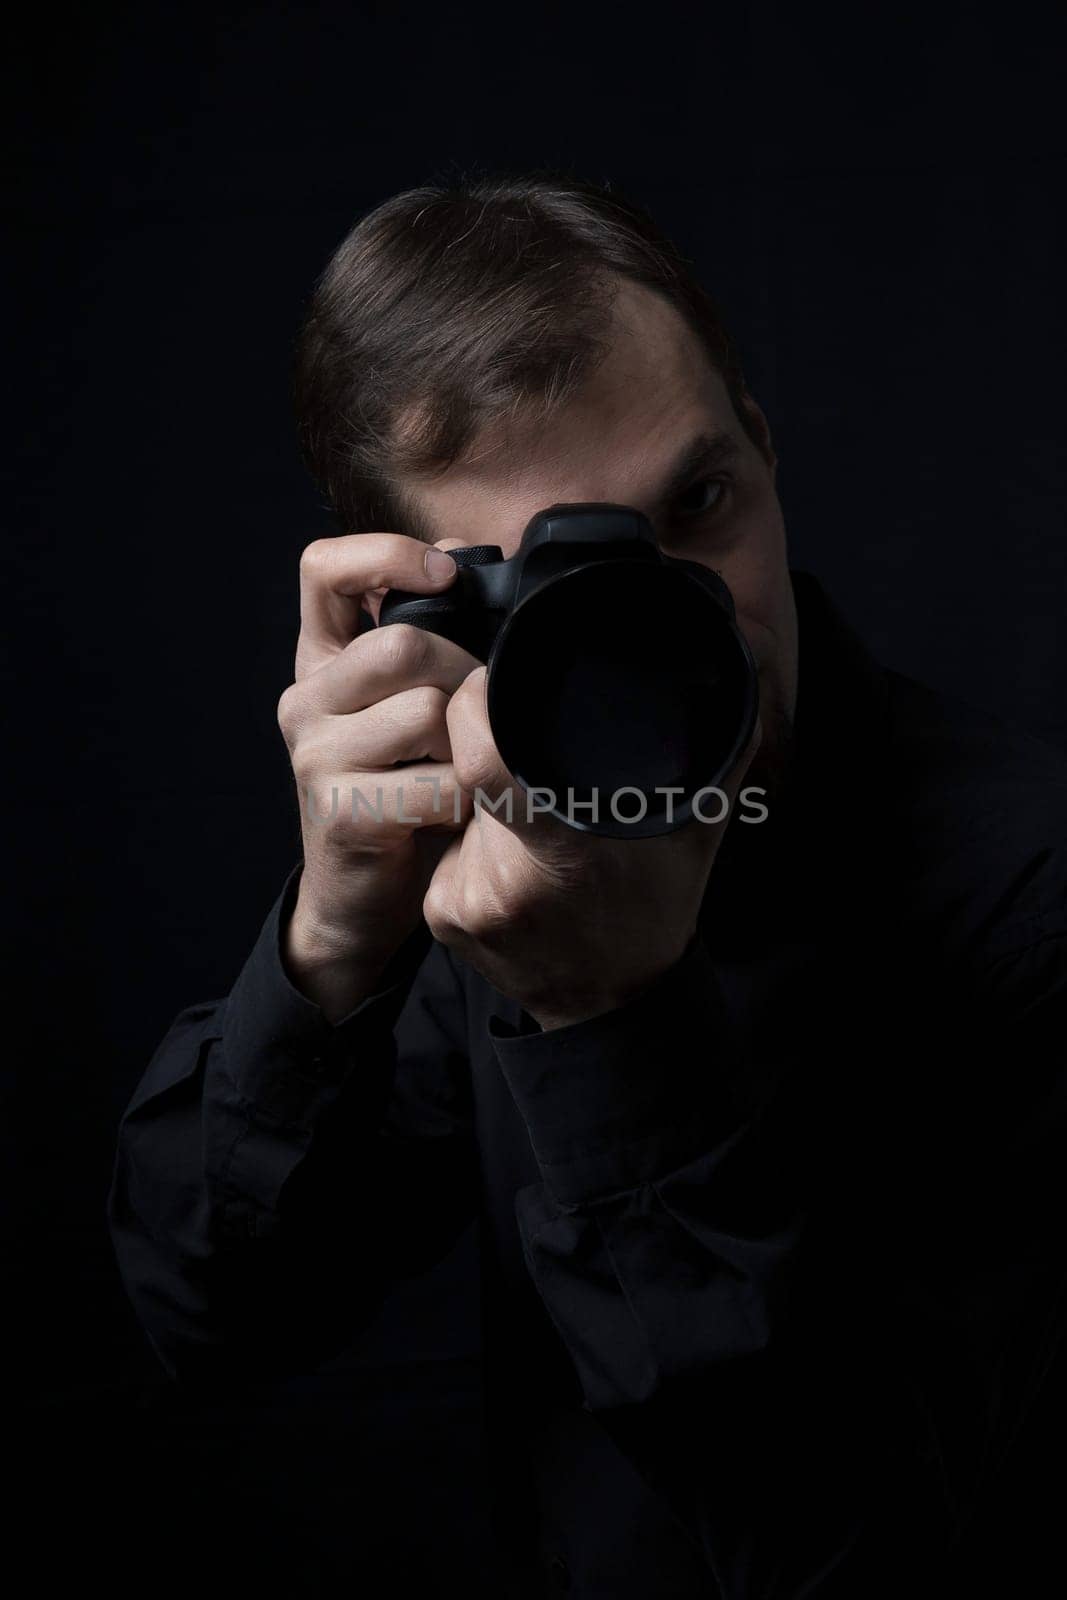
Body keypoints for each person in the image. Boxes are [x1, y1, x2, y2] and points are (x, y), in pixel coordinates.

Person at [106, 172, 1067, 1598]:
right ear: (408, 614)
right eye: (563, 580)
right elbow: (213, 1314)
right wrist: (328, 942)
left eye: (697, 504)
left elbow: (866, 1554)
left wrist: (611, 1025)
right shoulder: (482, 882)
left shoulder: (1031, 889)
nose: (679, 612)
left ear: (765, 444)